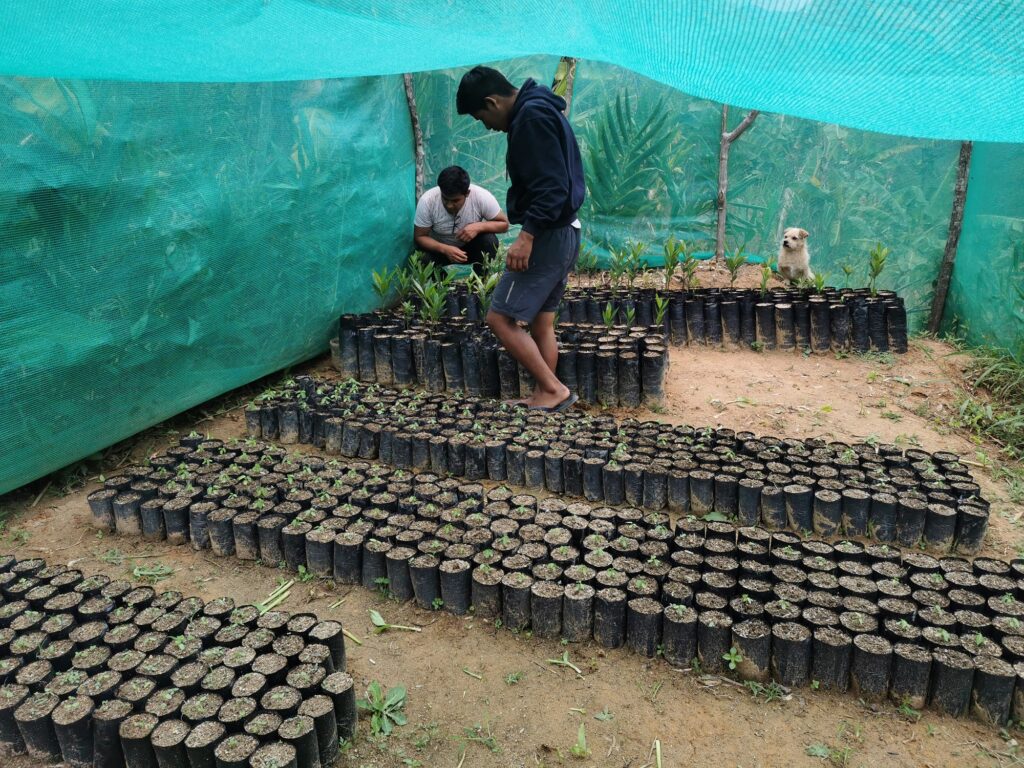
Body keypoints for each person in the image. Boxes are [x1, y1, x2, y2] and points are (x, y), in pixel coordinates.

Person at [456, 66, 585, 411]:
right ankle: (546, 394)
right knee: (542, 322)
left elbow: (552, 187)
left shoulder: (530, 118)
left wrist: (527, 236)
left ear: (492, 102)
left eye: (481, 118)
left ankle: (554, 390)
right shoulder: (541, 108)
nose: (487, 126)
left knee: (499, 318)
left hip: (547, 235)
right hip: (566, 230)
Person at [413, 165, 509, 274]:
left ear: (467, 193)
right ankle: (443, 282)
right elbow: (420, 236)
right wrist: (444, 249)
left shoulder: (481, 197)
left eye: (455, 201)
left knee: (489, 241)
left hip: (469, 249)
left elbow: (504, 224)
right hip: (439, 250)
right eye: (445, 199)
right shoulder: (427, 201)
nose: (449, 205)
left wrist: (478, 227)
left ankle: (479, 280)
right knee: (421, 259)